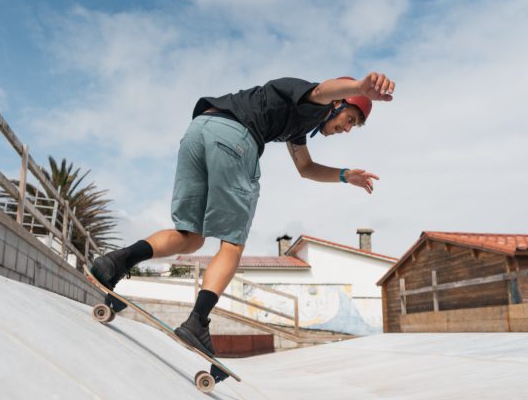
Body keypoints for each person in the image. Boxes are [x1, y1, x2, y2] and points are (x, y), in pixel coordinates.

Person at [91, 72, 395, 361]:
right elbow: (320, 91)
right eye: (350, 119)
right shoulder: (314, 97)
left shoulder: (298, 122)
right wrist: (359, 86)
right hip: (236, 138)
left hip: (199, 130)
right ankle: (197, 322)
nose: (347, 129)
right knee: (232, 244)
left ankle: (116, 262)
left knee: (190, 236)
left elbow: (306, 168)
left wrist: (344, 175)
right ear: (339, 103)